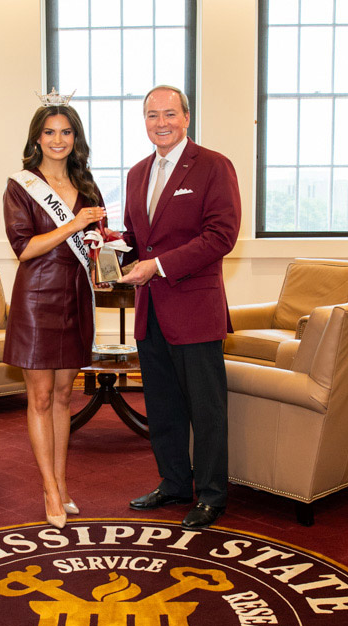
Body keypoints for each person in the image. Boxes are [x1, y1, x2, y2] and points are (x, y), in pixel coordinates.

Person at [118, 85, 242, 529]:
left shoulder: (213, 166)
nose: (161, 123)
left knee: (206, 411)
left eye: (169, 114)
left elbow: (221, 236)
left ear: (186, 118)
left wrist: (157, 266)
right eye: (152, 115)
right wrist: (111, 243)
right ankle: (173, 483)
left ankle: (211, 495)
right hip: (150, 311)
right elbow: (137, 237)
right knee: (163, 405)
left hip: (194, 310)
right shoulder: (136, 174)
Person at [3, 101, 106, 529]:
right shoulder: (21, 186)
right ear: (36, 138)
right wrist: (72, 225)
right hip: (38, 295)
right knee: (41, 397)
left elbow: (97, 245)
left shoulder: (87, 185)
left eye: (66, 132)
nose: (58, 140)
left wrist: (109, 250)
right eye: (50, 132)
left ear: (75, 139)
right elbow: (24, 248)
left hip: (75, 295)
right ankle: (48, 489)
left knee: (65, 396)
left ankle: (62, 485)